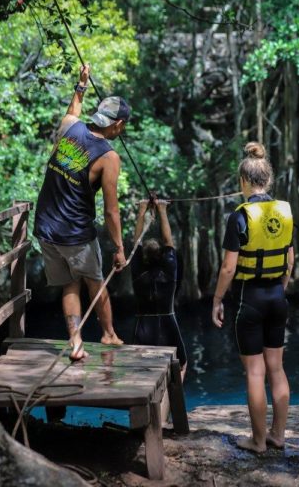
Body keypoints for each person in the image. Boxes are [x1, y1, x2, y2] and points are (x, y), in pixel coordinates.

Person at [34, 64, 130, 360]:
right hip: (75, 233)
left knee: (68, 284)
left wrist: (81, 84)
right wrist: (119, 247)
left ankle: (76, 343)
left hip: (46, 228)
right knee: (95, 282)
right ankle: (109, 334)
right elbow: (111, 211)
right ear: (117, 125)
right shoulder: (108, 157)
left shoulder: (69, 127)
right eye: (122, 126)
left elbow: (73, 109)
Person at [211, 142, 295, 453]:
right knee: (277, 368)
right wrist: (281, 288)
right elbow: (290, 260)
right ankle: (279, 434)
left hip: (250, 298)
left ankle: (258, 441)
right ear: (268, 180)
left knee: (255, 371)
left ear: (244, 182)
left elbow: (228, 266)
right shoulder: (284, 211)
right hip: (277, 296)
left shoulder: (240, 216)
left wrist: (217, 299)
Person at [131, 198, 188, 377]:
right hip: (168, 324)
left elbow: (136, 243)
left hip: (143, 327)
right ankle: (172, 400)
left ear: (144, 257)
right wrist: (162, 210)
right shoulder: (169, 273)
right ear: (162, 256)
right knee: (181, 364)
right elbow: (168, 241)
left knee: (143, 371)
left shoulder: (137, 272)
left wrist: (142, 210)